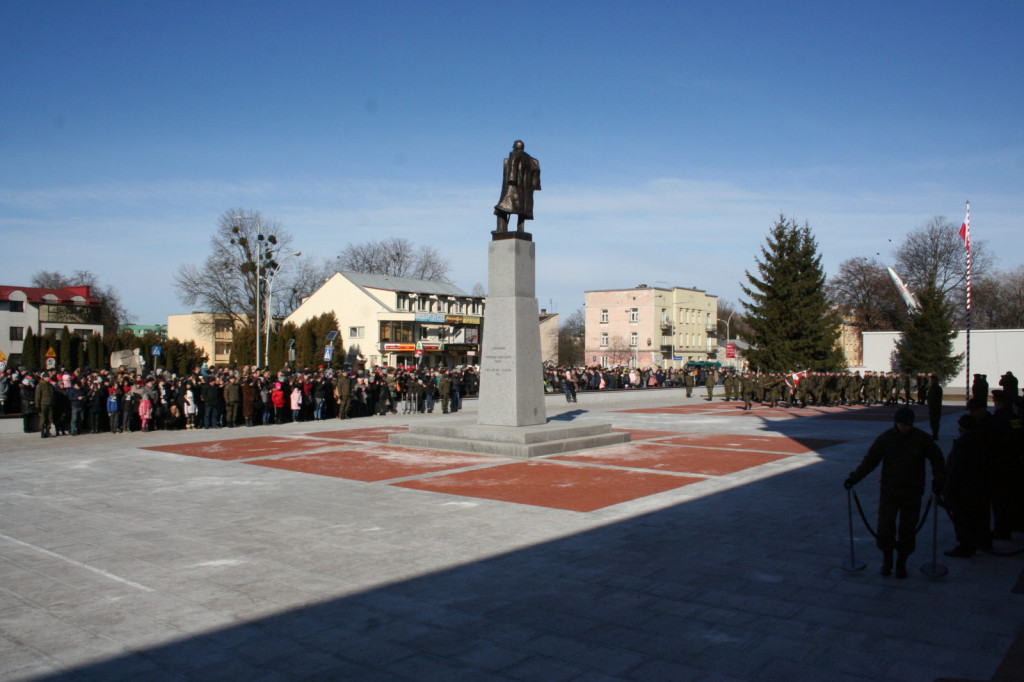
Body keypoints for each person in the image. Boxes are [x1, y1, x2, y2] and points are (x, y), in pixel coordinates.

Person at [844, 406, 945, 578]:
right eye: (904, 424)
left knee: (907, 529)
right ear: (896, 423)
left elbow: (937, 458)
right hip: (890, 490)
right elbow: (871, 461)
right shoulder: (886, 439)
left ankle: (901, 563)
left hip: (912, 491)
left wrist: (938, 481)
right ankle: (887, 561)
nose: (907, 427)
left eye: (910, 424)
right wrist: (854, 478)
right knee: (885, 527)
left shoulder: (921, 439)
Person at [942, 414, 989, 558]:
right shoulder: (981, 441)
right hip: (979, 487)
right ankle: (981, 541)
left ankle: (966, 545)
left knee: (964, 518)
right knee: (978, 516)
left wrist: (947, 489)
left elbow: (955, 470)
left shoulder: (964, 445)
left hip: (964, 489)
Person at [494, 140, 541, 234]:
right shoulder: (534, 161)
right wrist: (534, 187)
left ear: (515, 147)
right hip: (526, 192)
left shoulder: (515, 154)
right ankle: (520, 229)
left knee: (500, 209)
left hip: (514, 187)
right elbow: (536, 178)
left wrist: (512, 179)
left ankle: (501, 230)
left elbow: (513, 165)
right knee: (522, 210)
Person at [926, 375, 943, 440]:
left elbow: (935, 398)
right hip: (933, 406)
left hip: (935, 407)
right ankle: (934, 434)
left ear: (934, 380)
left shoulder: (936, 388)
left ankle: (935, 434)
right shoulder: (933, 387)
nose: (930, 381)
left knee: (934, 421)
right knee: (933, 421)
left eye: (931, 380)